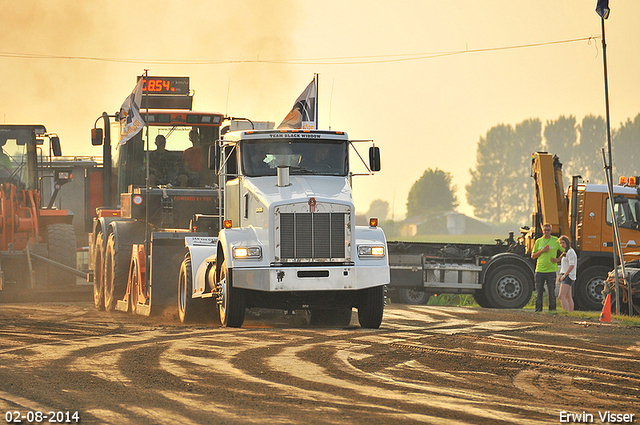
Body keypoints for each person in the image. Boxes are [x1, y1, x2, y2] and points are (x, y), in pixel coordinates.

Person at [531, 223, 564, 312]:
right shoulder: (538, 241)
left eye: (548, 230)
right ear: (542, 231)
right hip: (540, 270)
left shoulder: (555, 240)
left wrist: (558, 259)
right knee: (539, 293)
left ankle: (552, 311)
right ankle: (538, 311)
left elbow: (565, 250)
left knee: (551, 293)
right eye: (545, 230)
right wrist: (542, 250)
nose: (546, 232)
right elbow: (533, 255)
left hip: (551, 270)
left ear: (551, 231)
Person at [558, 235, 576, 311]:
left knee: (561, 296)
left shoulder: (570, 252)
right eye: (561, 243)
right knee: (568, 296)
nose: (562, 245)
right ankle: (570, 312)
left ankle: (565, 311)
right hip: (566, 275)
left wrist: (564, 275)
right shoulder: (566, 252)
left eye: (563, 243)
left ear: (567, 243)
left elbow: (572, 265)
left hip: (568, 276)